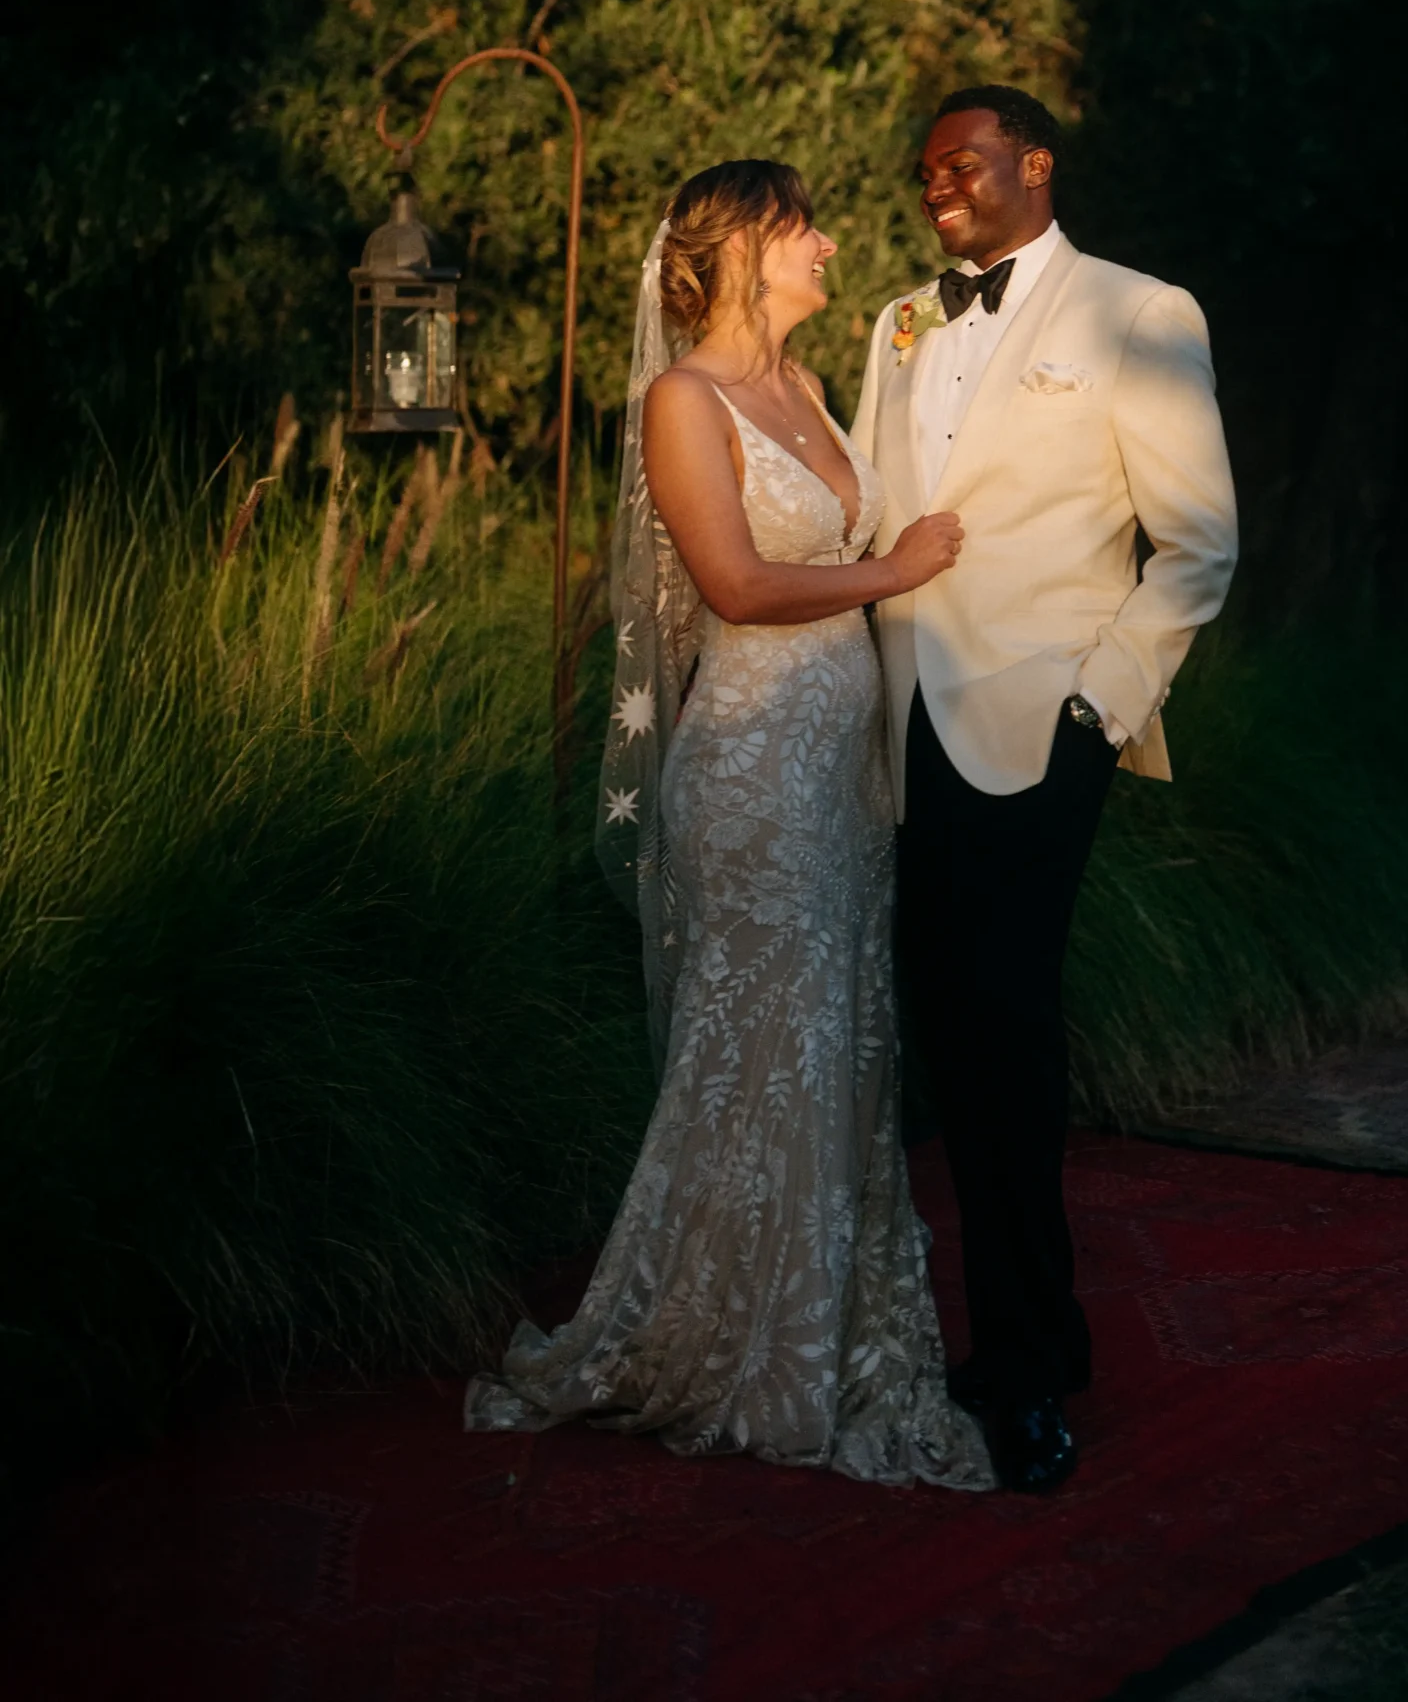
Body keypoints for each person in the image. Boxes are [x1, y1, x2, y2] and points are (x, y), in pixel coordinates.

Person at [465, 160, 992, 1490]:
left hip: (840, 766)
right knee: (768, 1045)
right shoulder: (682, 401)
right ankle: (727, 1345)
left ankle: (822, 1329)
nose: (827, 241)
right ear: (749, 249)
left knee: (838, 1045)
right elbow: (739, 586)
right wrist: (903, 564)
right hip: (753, 770)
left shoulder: (808, 391)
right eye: (803, 225)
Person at [851, 86, 1238, 1494]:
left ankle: (1023, 1370)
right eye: (925, 168)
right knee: (954, 1044)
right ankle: (1013, 1334)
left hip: (1044, 727)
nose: (940, 181)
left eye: (964, 159)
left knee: (1006, 1032)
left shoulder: (1142, 314)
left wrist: (1101, 702)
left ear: (1035, 162)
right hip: (905, 739)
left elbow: (1197, 544)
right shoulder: (894, 325)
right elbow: (868, 518)